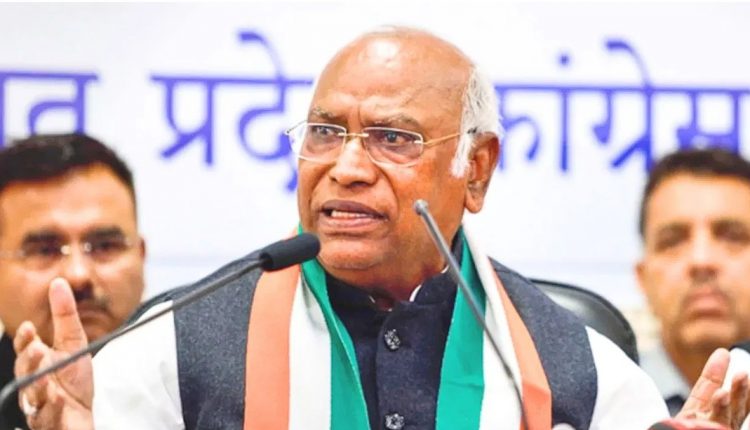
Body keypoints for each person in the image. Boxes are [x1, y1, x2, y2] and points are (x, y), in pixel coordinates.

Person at [12, 28, 750, 430]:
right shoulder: (172, 347)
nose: (346, 167)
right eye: (326, 132)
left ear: (476, 170)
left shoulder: (580, 371)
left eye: (393, 138)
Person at [0, 134, 146, 429]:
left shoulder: (206, 396)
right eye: (45, 250)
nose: (78, 275)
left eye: (105, 246)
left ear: (141, 256)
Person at [637, 148, 750, 416]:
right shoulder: (601, 409)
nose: (702, 261)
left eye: (732, 236)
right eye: (672, 241)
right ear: (643, 279)